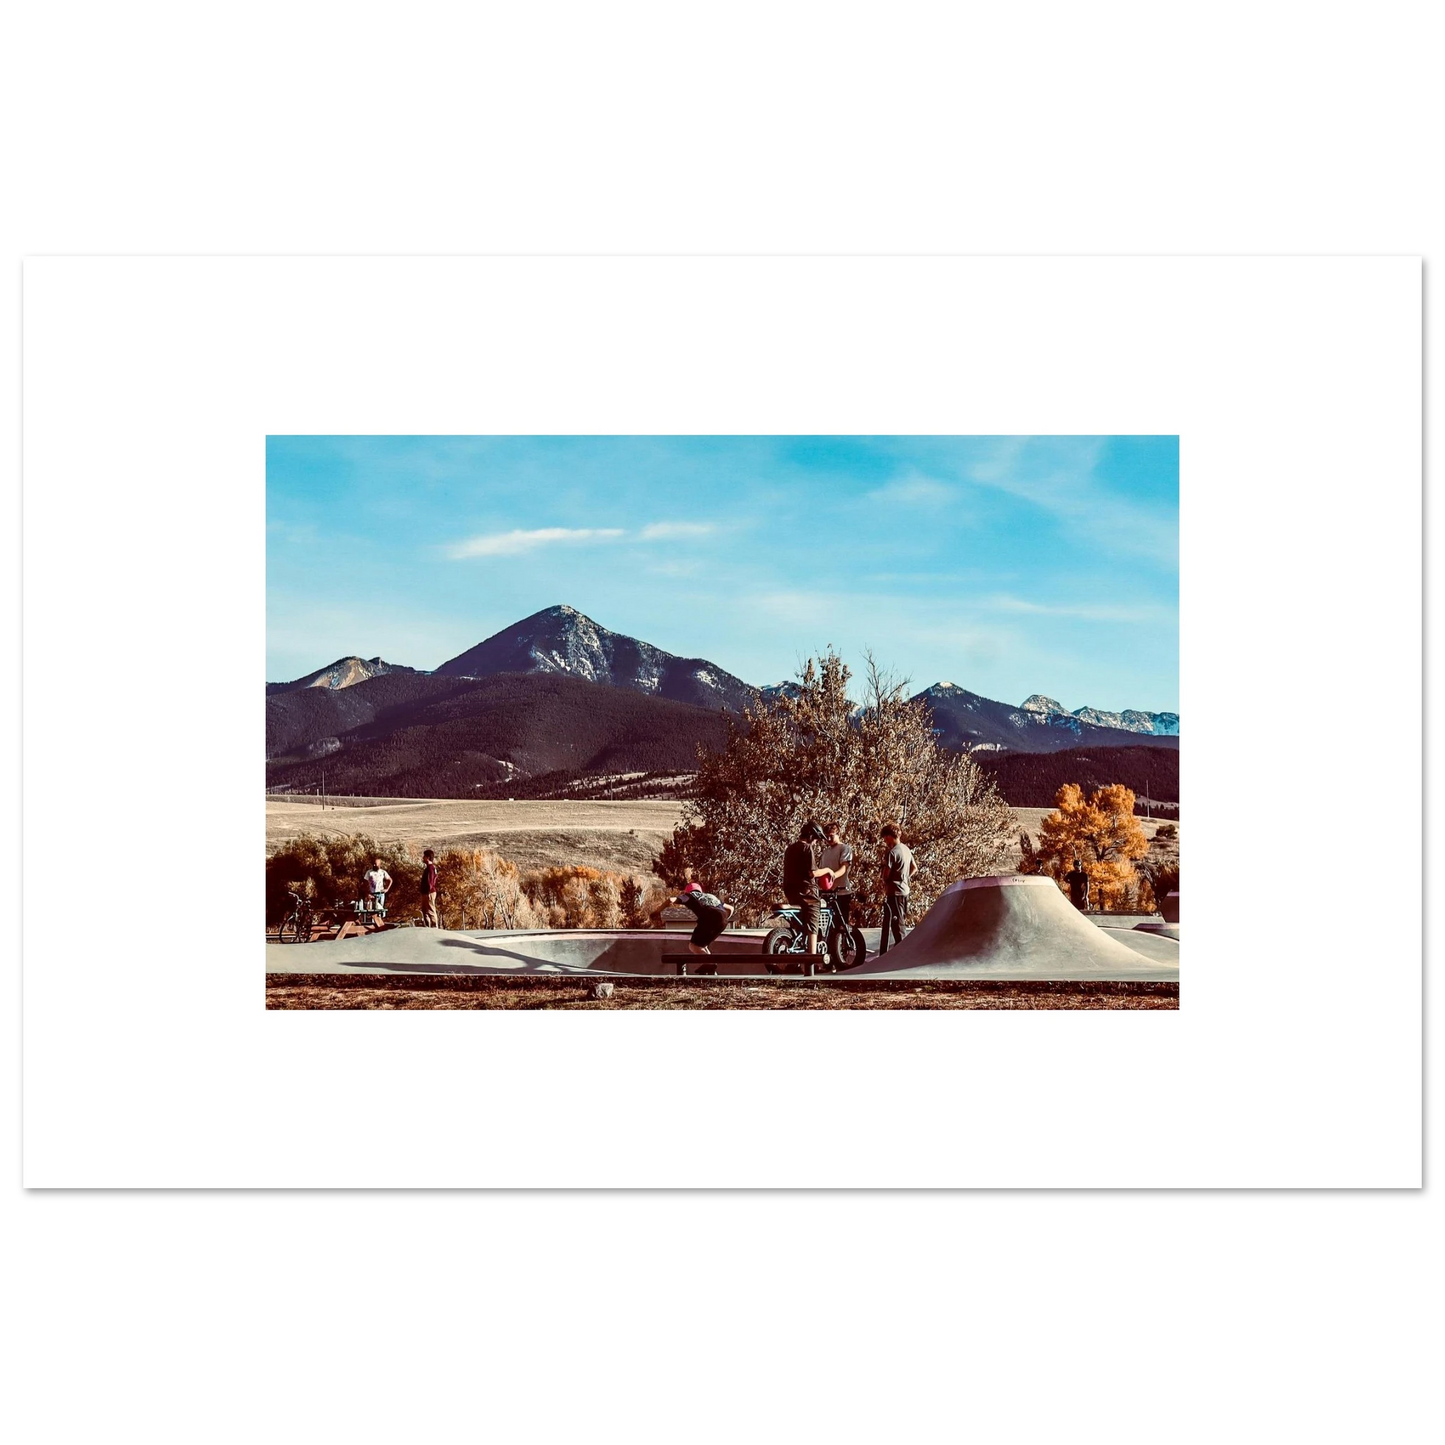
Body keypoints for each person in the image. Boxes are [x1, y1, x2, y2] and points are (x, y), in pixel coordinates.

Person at [777, 820, 833, 972]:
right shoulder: (807, 848)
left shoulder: (790, 849)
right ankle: (812, 964)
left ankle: (796, 959)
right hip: (807, 892)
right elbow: (812, 873)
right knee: (813, 922)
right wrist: (828, 870)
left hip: (791, 891)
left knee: (800, 923)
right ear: (810, 836)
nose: (815, 842)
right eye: (815, 839)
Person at [671, 881, 735, 963]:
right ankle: (710, 966)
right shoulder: (710, 896)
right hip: (723, 920)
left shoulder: (688, 896)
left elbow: (671, 900)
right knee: (702, 946)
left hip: (708, 918)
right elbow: (731, 908)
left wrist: (658, 911)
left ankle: (709, 964)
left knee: (694, 946)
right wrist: (720, 920)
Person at [878, 824, 915, 955]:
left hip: (894, 893)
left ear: (889, 836)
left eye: (885, 838)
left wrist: (887, 880)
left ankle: (902, 953)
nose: (885, 841)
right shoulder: (906, 849)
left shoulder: (892, 853)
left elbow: (886, 875)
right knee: (900, 920)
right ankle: (892, 952)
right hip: (904, 891)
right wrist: (905, 877)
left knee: (897, 925)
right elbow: (914, 867)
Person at [421, 850, 440, 928]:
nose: (423, 858)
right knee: (425, 911)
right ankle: (427, 927)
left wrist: (428, 892)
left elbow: (430, 881)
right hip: (426, 892)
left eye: (424, 856)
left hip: (429, 893)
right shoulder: (429, 868)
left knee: (431, 910)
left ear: (428, 857)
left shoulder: (430, 869)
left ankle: (434, 926)